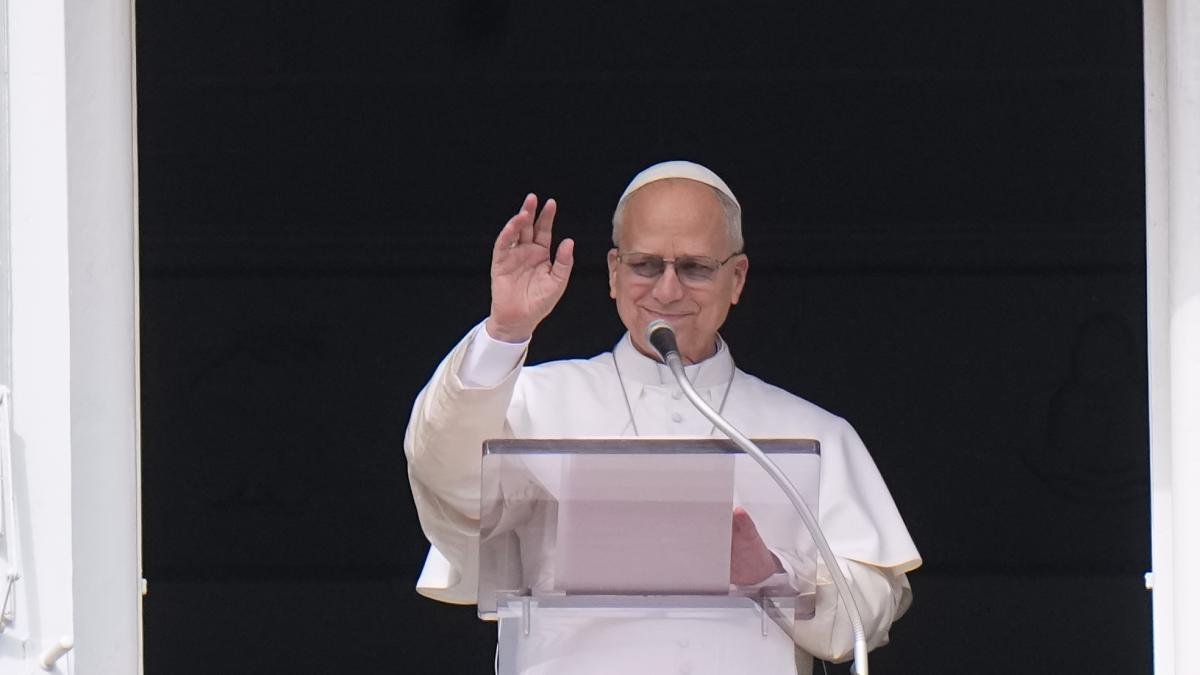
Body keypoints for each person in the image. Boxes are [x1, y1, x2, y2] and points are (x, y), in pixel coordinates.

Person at [405, 161, 921, 674]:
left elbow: (867, 616)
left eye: (695, 267)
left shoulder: (813, 432)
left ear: (736, 278)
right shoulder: (529, 401)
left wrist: (769, 575)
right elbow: (445, 479)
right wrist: (505, 332)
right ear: (613, 272)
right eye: (646, 265)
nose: (668, 290)